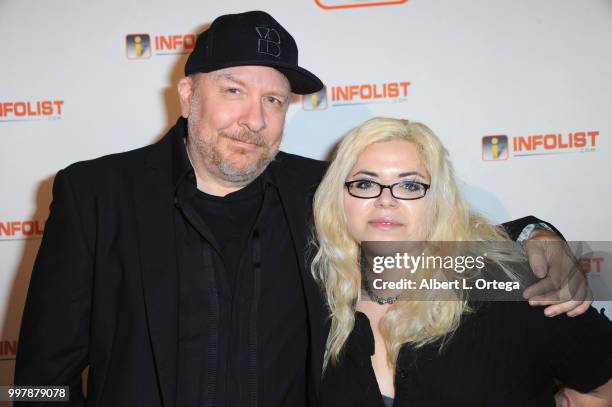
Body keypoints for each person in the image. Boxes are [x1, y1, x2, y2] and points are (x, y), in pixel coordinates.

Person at [14, 10, 592, 407]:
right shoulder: (95, 193)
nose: (254, 119)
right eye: (234, 91)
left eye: (273, 99)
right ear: (190, 95)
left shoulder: (322, 191)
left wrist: (537, 235)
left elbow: (434, 238)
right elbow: (42, 377)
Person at [312, 117, 612, 406]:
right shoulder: (316, 297)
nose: (386, 200)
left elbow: (602, 386)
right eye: (365, 184)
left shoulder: (515, 286)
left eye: (411, 186)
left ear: (438, 202)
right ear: (338, 198)